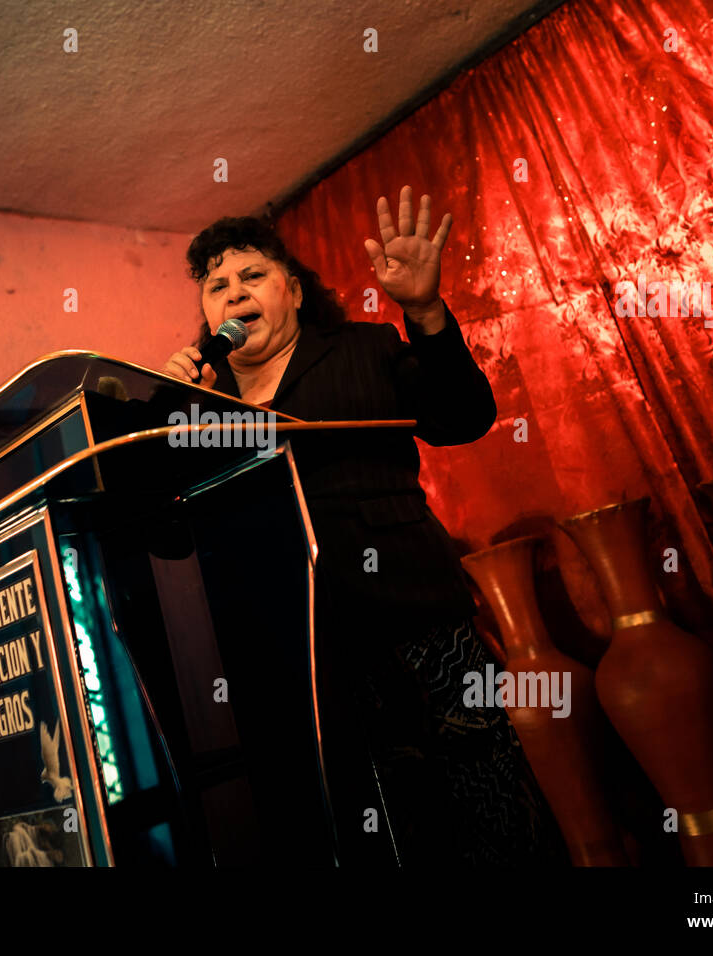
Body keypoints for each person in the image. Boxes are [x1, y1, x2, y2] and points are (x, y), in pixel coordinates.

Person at [160, 186, 569, 866]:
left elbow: (462, 418)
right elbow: (171, 538)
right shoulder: (200, 406)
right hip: (298, 656)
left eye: (252, 275)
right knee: (373, 827)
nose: (233, 294)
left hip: (420, 622)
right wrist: (162, 417)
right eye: (216, 286)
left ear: (292, 290)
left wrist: (424, 310)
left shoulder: (365, 349)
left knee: (489, 802)